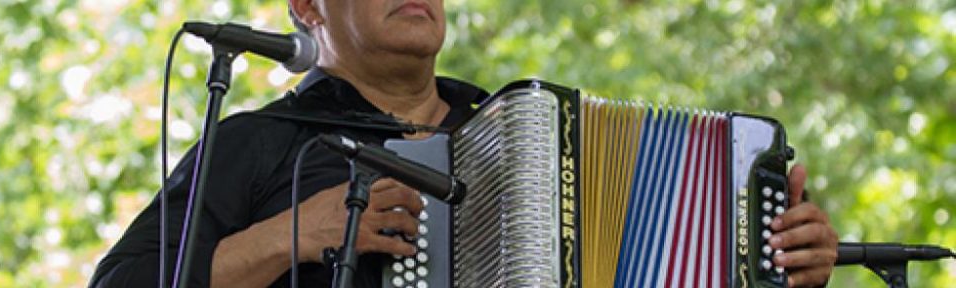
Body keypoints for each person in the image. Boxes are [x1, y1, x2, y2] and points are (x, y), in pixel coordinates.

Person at [91, 0, 838, 287]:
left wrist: (777, 261)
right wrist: (286, 237)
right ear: (307, 5)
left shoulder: (529, 136)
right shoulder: (262, 143)